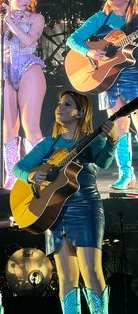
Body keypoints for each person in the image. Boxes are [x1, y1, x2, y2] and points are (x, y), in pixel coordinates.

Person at [13, 90, 119, 313]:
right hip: (54, 211)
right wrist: (32, 176)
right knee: (66, 276)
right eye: (59, 103)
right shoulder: (49, 145)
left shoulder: (92, 140)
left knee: (91, 271)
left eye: (66, 104)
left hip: (86, 207)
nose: (59, 107)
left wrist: (112, 141)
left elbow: (104, 162)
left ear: (80, 113)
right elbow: (18, 168)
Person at [66, 0, 138, 190]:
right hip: (109, 76)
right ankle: (126, 174)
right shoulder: (101, 17)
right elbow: (72, 40)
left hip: (134, 73)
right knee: (118, 125)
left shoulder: (136, 17)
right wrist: (89, 51)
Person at [0, 0, 46, 189]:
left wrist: (11, 22)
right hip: (2, 69)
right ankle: (11, 174)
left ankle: (36, 172)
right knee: (8, 126)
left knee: (31, 126)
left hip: (28, 67)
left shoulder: (36, 18)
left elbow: (28, 40)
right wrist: (2, 20)